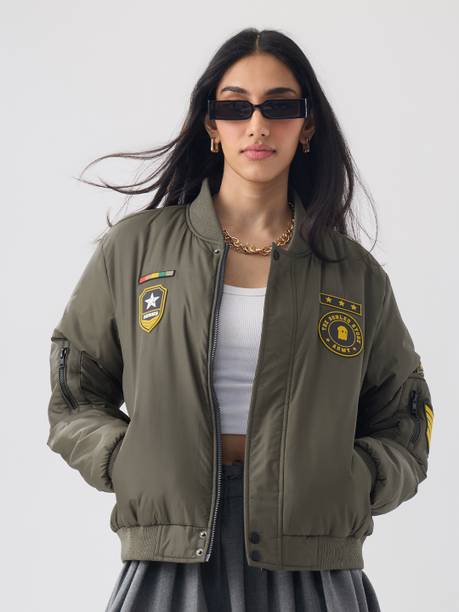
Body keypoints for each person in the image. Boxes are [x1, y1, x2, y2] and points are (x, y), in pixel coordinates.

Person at [46, 28, 435, 612]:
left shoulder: (353, 275)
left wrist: (353, 481)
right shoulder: (136, 251)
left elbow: (405, 420)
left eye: (279, 106)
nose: (257, 125)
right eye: (235, 107)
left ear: (307, 125)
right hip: (170, 560)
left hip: (313, 567)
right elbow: (74, 395)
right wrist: (128, 460)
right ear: (211, 124)